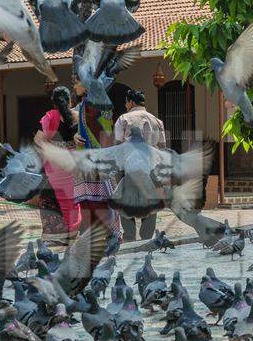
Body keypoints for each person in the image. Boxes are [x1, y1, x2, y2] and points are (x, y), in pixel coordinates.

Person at [72, 79, 121, 242]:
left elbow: (103, 132)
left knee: (94, 202)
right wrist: (76, 136)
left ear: (86, 86)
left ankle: (100, 237)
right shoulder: (92, 103)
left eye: (77, 82)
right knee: (96, 201)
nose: (75, 86)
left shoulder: (92, 105)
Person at [114, 89, 167, 242]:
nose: (125, 104)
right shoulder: (157, 121)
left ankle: (130, 237)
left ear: (130, 102)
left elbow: (118, 146)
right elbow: (162, 148)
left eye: (126, 101)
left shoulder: (123, 119)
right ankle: (146, 238)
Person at [35, 86, 81, 242]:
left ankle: (58, 236)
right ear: (69, 101)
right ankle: (73, 233)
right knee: (72, 201)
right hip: (73, 164)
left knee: (57, 199)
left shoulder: (49, 117)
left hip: (55, 166)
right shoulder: (77, 116)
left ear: (53, 102)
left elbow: (40, 142)